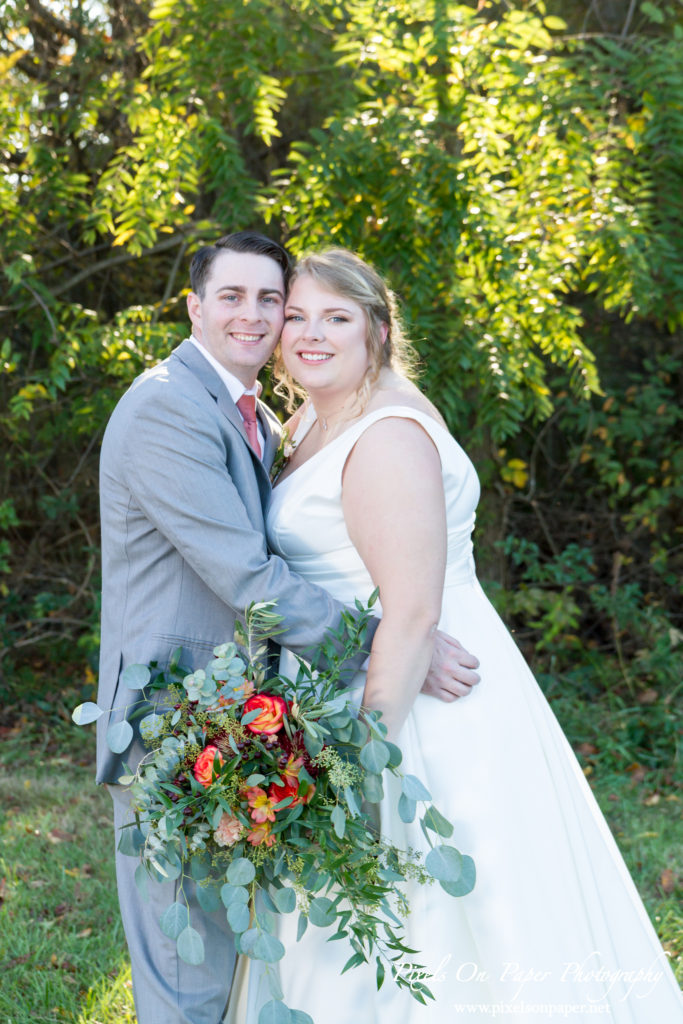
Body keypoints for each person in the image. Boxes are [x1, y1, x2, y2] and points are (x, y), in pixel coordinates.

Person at [233, 249, 683, 1022]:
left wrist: (360, 762)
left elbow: (410, 615)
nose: (310, 334)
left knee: (436, 911)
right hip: (357, 670)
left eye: (335, 318)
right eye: (297, 317)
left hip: (417, 697)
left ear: (375, 329)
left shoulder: (385, 435)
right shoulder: (312, 415)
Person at [96, 231, 480, 1024]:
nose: (256, 316)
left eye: (270, 300)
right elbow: (245, 575)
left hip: (249, 714)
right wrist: (389, 640)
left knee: (239, 944)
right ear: (194, 306)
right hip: (175, 718)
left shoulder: (266, 419)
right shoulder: (167, 407)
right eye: (232, 297)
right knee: (186, 963)